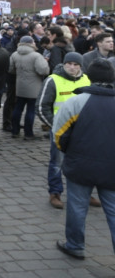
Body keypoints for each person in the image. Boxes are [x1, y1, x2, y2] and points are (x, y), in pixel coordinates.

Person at [53, 58, 115, 259]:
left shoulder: (75, 101)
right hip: (111, 168)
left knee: (77, 207)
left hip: (80, 165)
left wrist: (70, 152)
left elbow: (59, 136)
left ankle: (75, 245)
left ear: (89, 77)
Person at [36, 52, 95, 210]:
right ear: (64, 64)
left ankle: (85, 193)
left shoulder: (87, 80)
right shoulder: (53, 80)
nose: (72, 67)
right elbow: (42, 107)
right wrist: (55, 126)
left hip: (82, 132)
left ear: (81, 66)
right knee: (57, 162)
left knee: (83, 162)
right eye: (69, 63)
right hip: (60, 132)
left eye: (76, 65)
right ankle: (55, 192)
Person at [8, 36, 50, 139]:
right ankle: (28, 133)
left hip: (20, 86)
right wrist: (46, 62)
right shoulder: (36, 56)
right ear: (31, 43)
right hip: (34, 87)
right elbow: (43, 71)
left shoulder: (14, 54)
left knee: (18, 108)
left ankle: (15, 130)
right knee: (31, 110)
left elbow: (11, 69)